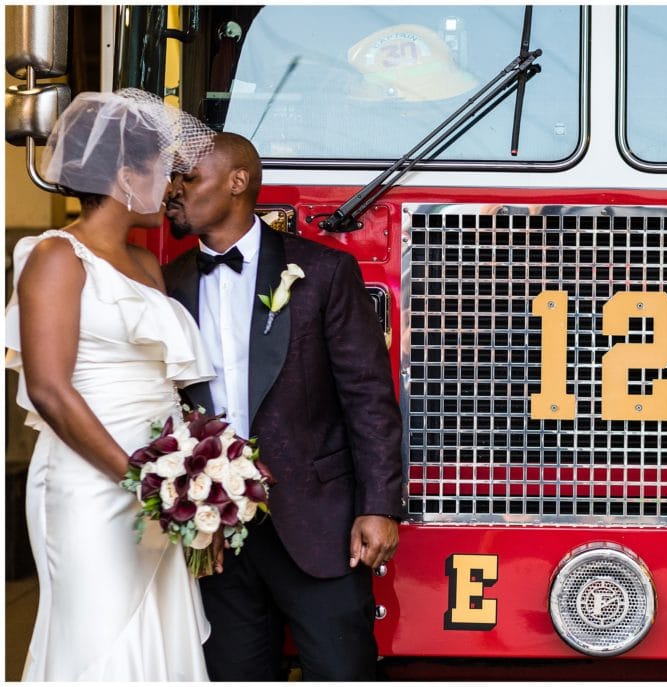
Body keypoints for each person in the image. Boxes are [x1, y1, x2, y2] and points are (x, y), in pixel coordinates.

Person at [162, 131, 403, 681]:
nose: (173, 190)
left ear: (237, 182)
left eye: (188, 178)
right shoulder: (168, 284)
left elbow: (368, 396)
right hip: (215, 529)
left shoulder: (322, 272)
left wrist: (380, 505)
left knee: (342, 670)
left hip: (321, 525)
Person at [4, 88, 216, 680]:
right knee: (97, 640)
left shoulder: (147, 265)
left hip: (159, 483)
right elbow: (49, 388)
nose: (170, 188)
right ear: (125, 174)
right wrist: (140, 478)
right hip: (90, 482)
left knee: (156, 633)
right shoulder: (54, 256)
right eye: (161, 172)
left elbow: (170, 387)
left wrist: (193, 481)